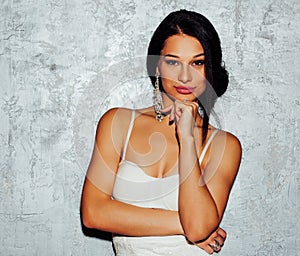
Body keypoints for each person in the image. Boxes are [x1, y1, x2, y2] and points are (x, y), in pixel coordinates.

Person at [81, 9, 242, 255]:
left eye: (197, 62)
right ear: (157, 65)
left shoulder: (224, 145)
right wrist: (184, 224)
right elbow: (93, 213)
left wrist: (187, 138)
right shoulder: (118, 123)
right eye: (173, 62)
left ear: (209, 69)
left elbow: (199, 227)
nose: (185, 76)